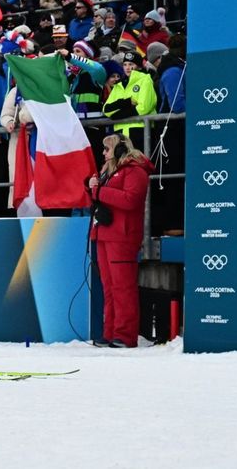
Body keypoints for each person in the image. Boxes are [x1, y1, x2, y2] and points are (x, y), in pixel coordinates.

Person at [88, 132, 151, 348]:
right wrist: (94, 190)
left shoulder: (135, 171)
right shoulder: (109, 171)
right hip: (105, 234)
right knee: (109, 287)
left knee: (123, 287)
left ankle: (125, 335)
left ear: (119, 149)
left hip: (122, 236)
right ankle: (111, 331)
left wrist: (99, 192)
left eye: (107, 149)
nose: (103, 153)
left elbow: (131, 199)